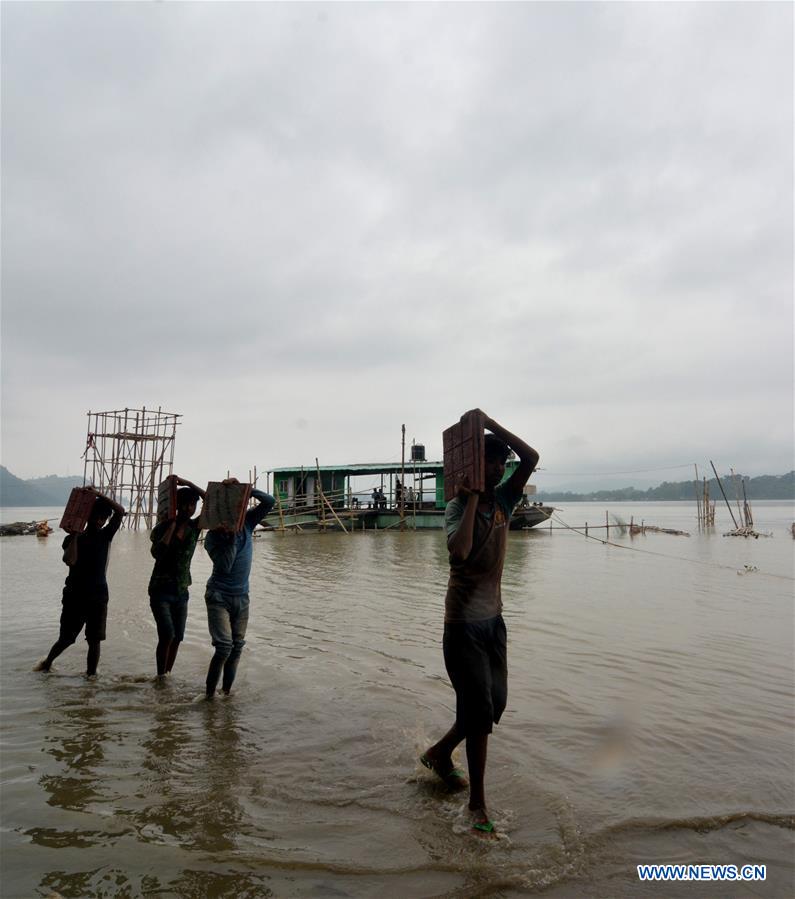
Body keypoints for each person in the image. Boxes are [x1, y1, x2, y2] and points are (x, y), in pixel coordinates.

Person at [421, 413, 539, 834]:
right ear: (476, 466)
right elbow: (461, 551)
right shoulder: (456, 507)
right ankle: (477, 805)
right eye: (490, 461)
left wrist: (491, 424)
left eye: (500, 463)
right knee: (480, 710)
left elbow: (532, 456)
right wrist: (470, 497)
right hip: (462, 626)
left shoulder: (506, 499)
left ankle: (439, 752)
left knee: (494, 706)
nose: (497, 468)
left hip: (494, 621)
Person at [35, 490, 127, 677]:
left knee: (95, 640)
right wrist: (76, 535)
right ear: (88, 516)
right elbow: (70, 560)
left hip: (99, 596)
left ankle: (91, 677)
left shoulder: (105, 535)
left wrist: (98, 495)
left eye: (102, 518)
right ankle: (47, 663)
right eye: (96, 517)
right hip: (74, 596)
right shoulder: (72, 539)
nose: (99, 521)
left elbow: (120, 511)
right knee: (67, 639)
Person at [203, 483, 275, 698]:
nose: (237, 512)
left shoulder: (249, 523)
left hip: (242, 597)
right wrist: (231, 538)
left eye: (239, 506)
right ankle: (208, 697)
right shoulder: (212, 537)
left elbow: (270, 502)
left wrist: (246, 491)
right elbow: (225, 565)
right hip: (218, 596)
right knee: (224, 647)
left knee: (236, 648)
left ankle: (225, 694)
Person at [148, 478, 206, 679]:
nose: (190, 509)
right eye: (186, 504)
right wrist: (172, 527)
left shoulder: (194, 526)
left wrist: (187, 482)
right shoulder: (162, 528)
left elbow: (211, 501)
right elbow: (157, 553)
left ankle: (166, 675)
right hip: (160, 590)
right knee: (167, 635)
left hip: (181, 591)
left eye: (193, 505)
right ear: (177, 505)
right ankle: (160, 676)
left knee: (177, 638)